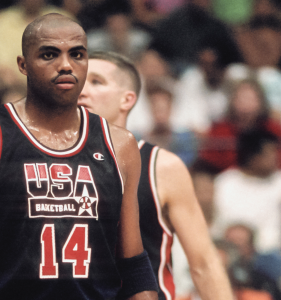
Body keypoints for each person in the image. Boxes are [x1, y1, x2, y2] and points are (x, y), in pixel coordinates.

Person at [0, 13, 158, 300]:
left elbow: (133, 262)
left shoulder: (119, 145)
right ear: (23, 65)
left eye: (77, 54)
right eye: (49, 54)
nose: (66, 65)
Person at [77, 51, 233, 300]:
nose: (82, 91)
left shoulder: (161, 166)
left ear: (127, 99)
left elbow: (204, 263)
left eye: (96, 82)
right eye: (78, 82)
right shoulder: (43, 163)